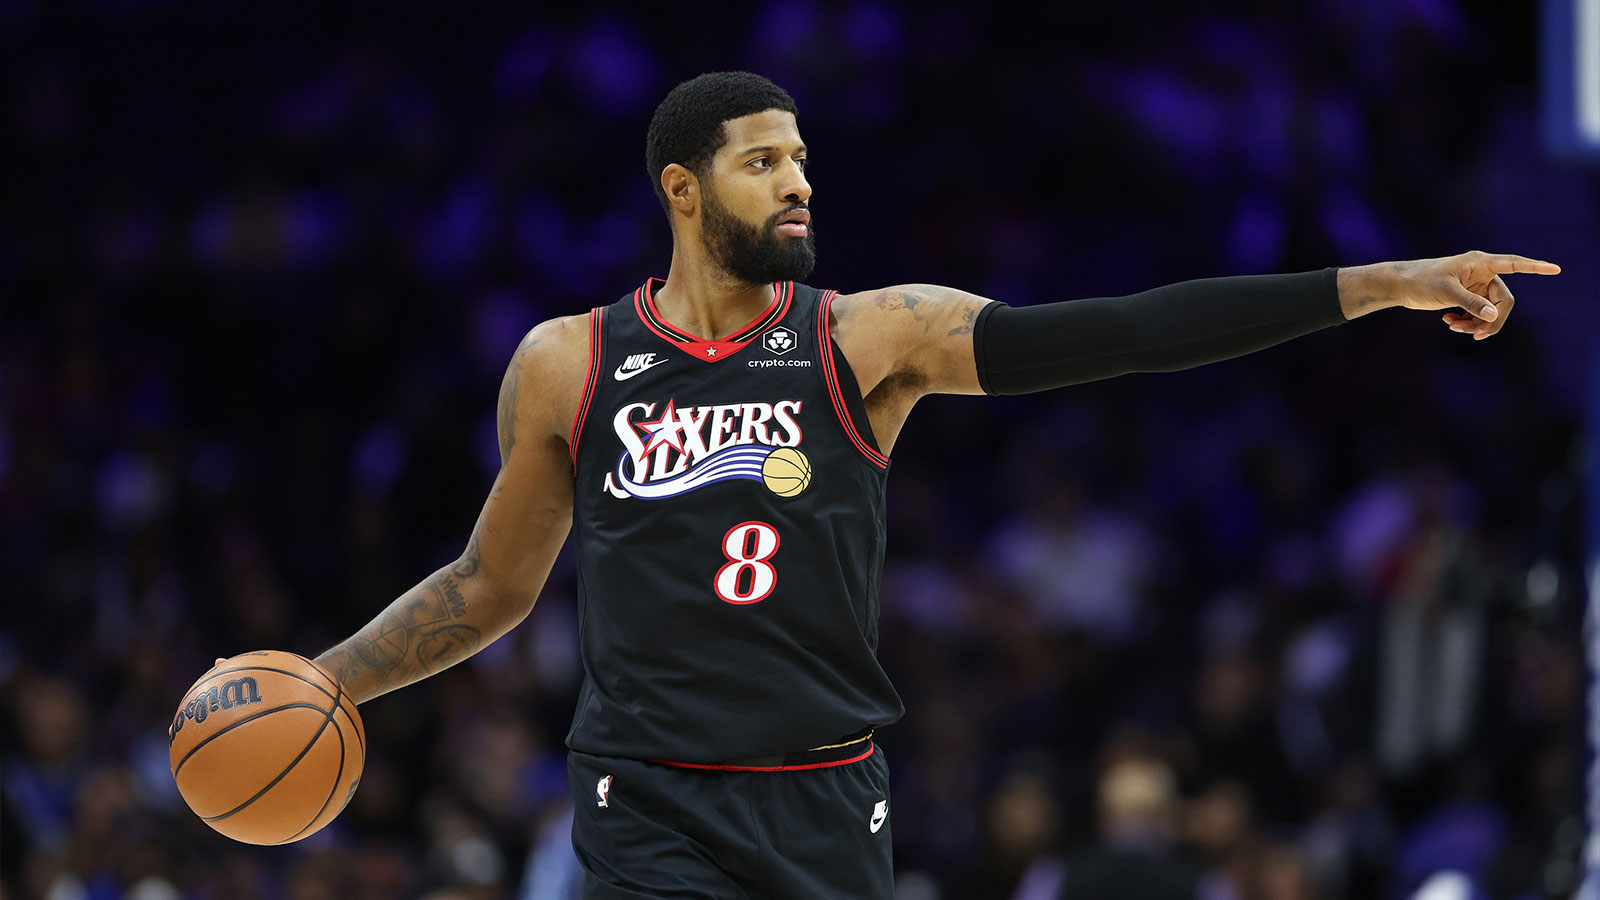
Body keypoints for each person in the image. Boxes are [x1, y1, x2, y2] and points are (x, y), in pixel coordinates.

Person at [285, 71, 1558, 898]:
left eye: (801, 162)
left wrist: (1378, 283)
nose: (797, 182)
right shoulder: (567, 361)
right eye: (762, 163)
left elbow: (1120, 329)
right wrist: (326, 680)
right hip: (645, 798)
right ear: (681, 191)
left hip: (828, 799)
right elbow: (488, 587)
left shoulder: (868, 336)